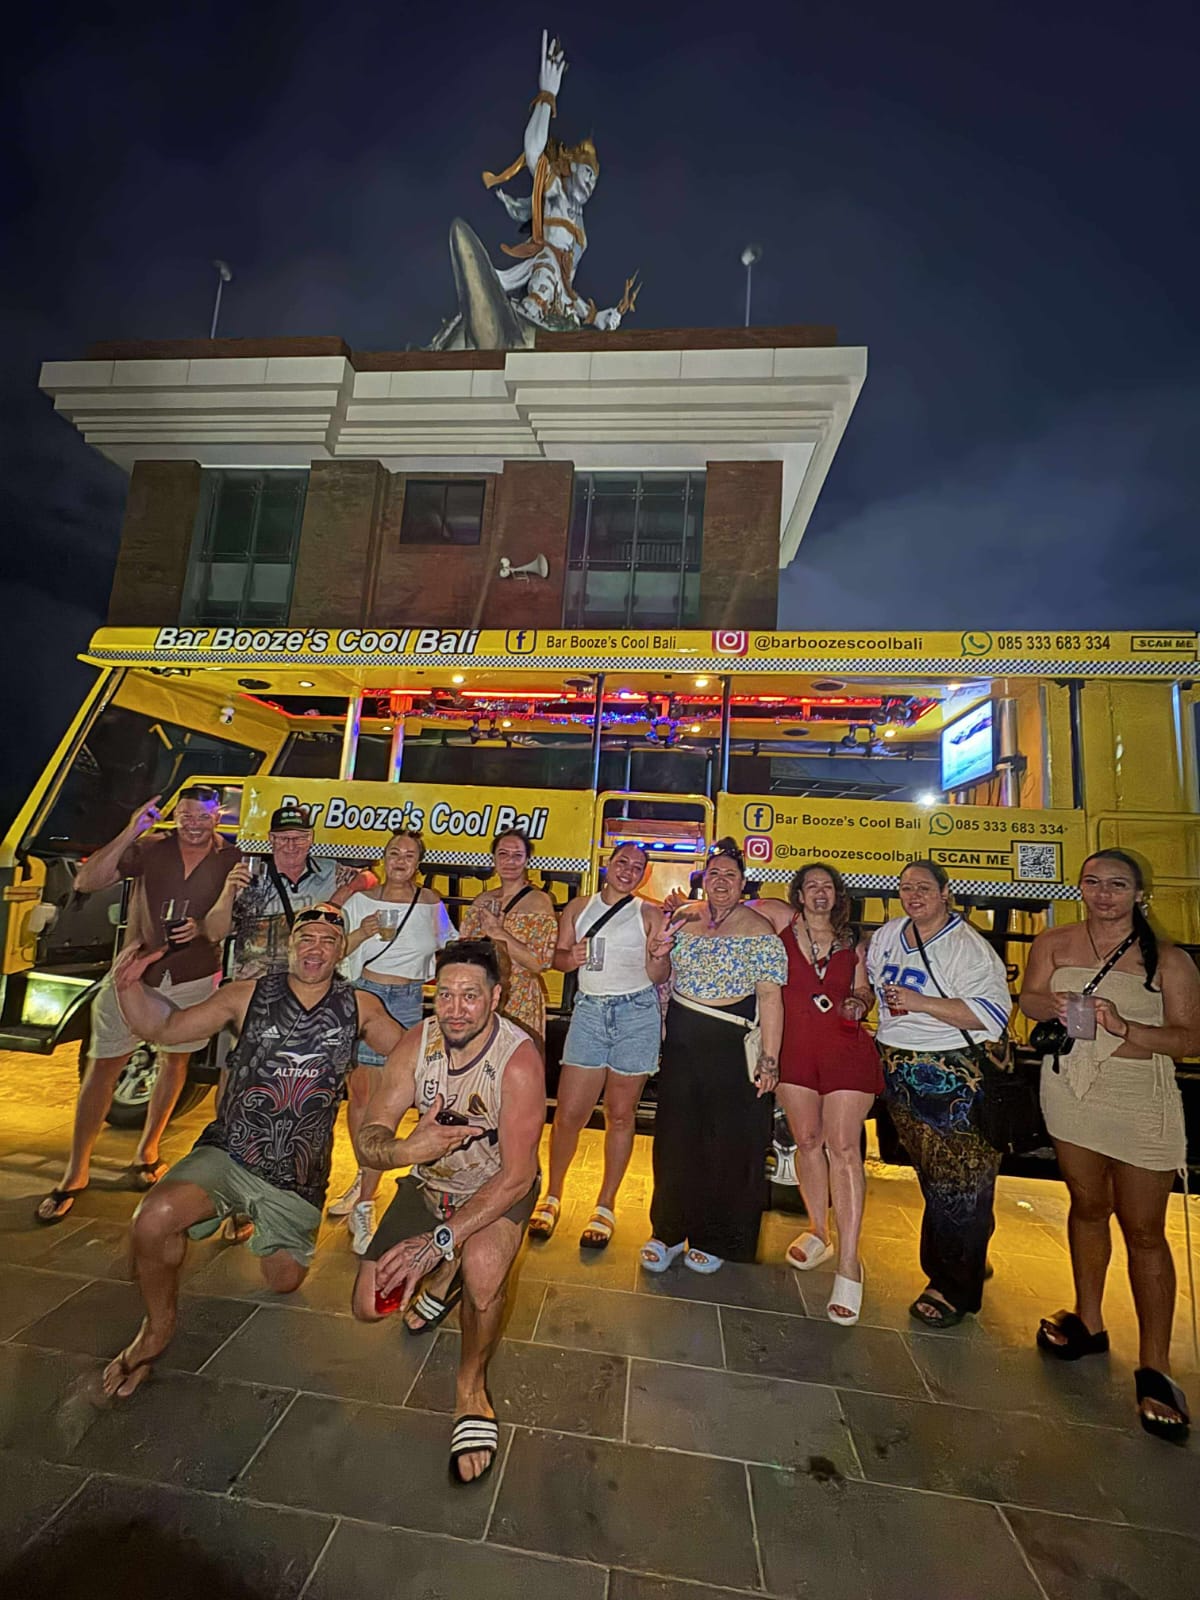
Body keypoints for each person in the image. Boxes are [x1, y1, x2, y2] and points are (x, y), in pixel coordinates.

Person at [95, 904, 408, 1399]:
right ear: (291, 945)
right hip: (232, 1151)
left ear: (341, 951)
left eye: (328, 940)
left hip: (297, 1173)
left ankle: (253, 1217)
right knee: (152, 1220)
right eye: (306, 937)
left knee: (283, 1281)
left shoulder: (361, 1006)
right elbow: (169, 1028)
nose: (316, 948)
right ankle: (157, 1327)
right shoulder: (246, 994)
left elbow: (412, 1054)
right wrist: (129, 988)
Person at [1019, 849, 1200, 1442]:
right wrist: (1054, 1005)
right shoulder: (1054, 941)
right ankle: (1089, 1319)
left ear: (1139, 893)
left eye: (1117, 885)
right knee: (1087, 1205)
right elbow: (1029, 999)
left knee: (1144, 1229)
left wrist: (1125, 1026)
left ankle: (1156, 1366)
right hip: (1071, 1090)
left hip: (1139, 1097)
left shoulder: (1168, 960)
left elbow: (1189, 1039)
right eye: (1093, 882)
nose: (1103, 894)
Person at [351, 938, 544, 1485]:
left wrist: (437, 1242)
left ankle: (471, 1388)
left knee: (483, 1276)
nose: (457, 1009)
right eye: (447, 995)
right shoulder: (417, 1044)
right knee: (370, 1306)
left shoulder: (518, 1060)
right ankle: (446, 1270)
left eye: (471, 996)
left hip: (495, 1189)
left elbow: (518, 1176)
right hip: (430, 1185)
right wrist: (408, 1150)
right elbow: (369, 1139)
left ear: (496, 997)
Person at [35, 786, 245, 1225]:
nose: (193, 824)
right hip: (133, 973)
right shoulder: (150, 848)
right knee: (103, 1064)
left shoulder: (232, 857)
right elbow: (86, 881)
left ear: (218, 816)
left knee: (176, 1062)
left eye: (202, 816)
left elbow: (224, 925)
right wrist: (131, 829)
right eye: (186, 815)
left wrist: (200, 927)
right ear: (175, 816)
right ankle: (76, 1170)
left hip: (193, 975)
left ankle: (147, 1151)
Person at [867, 859, 1013, 1329]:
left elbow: (992, 1014)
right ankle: (970, 1253)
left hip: (953, 1074)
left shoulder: (968, 947)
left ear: (945, 892)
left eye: (924, 888)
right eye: (906, 887)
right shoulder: (889, 935)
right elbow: (872, 983)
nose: (913, 895)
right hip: (901, 1071)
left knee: (960, 1181)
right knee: (937, 1178)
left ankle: (951, 1286)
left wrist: (921, 1003)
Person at [641, 839, 786, 1275]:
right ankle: (667, 1230)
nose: (721, 881)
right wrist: (656, 954)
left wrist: (770, 1059)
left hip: (732, 1043)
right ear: (703, 879)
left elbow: (771, 998)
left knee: (728, 1143)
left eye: (730, 875)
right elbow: (659, 975)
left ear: (743, 883)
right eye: (714, 874)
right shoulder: (684, 919)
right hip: (683, 1040)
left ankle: (717, 1236)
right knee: (676, 1138)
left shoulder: (759, 928)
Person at [753, 863, 883, 1325]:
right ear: (799, 895)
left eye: (828, 887)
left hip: (845, 1049)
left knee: (843, 1146)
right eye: (812, 886)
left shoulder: (853, 943)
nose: (820, 893)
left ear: (838, 896)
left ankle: (849, 1263)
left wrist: (859, 1002)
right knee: (806, 1141)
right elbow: (732, 904)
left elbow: (865, 991)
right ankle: (819, 1231)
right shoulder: (780, 930)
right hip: (795, 1050)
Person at [529, 842, 670, 1248]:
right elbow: (557, 959)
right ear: (609, 865)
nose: (628, 870)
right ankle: (552, 1195)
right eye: (622, 862)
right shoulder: (579, 907)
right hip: (590, 1012)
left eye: (637, 867)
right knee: (569, 1114)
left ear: (644, 875)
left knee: (621, 1114)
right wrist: (569, 957)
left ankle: (605, 1205)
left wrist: (658, 955)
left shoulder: (649, 913)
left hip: (636, 1013)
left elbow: (658, 975)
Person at [333, 830, 456, 1253]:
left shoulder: (431, 903)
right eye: (394, 853)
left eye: (409, 854)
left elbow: (449, 948)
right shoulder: (360, 901)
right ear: (383, 858)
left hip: (408, 1000)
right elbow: (334, 951)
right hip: (367, 995)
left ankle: (366, 1194)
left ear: (419, 862)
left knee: (394, 1098)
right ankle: (365, 1178)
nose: (401, 860)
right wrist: (362, 933)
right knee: (362, 1097)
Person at [230, 804, 360, 980]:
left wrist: (336, 901)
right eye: (283, 838)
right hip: (257, 984)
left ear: (310, 837)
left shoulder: (329, 871)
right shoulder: (250, 877)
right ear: (271, 838)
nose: (291, 846)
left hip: (310, 983)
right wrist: (227, 891)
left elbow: (367, 878)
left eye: (299, 838)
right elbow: (217, 932)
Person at [460, 829, 558, 1042]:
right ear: (494, 859)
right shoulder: (482, 900)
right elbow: (465, 950)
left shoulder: (539, 901)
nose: (510, 861)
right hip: (481, 994)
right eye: (503, 854)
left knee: (517, 1057)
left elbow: (538, 963)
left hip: (519, 997)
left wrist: (498, 932)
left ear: (527, 860)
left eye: (517, 855)